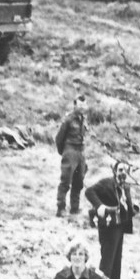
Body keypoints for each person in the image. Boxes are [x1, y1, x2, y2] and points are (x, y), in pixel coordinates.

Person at [84, 160, 139, 279]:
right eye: (120, 170)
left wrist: (134, 208)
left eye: (125, 170)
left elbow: (126, 206)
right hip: (108, 227)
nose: (123, 173)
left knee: (117, 261)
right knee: (107, 262)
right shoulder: (107, 183)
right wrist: (99, 206)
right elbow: (89, 192)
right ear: (114, 171)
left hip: (120, 226)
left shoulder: (125, 187)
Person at [55, 92, 88, 220]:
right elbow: (59, 138)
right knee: (66, 180)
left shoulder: (83, 119)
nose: (82, 107)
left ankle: (75, 208)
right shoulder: (68, 119)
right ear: (74, 105)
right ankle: (61, 208)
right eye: (79, 104)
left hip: (80, 152)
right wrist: (63, 152)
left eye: (84, 104)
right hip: (70, 150)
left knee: (79, 181)